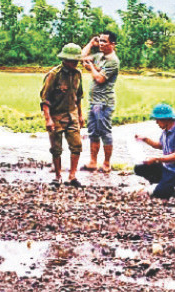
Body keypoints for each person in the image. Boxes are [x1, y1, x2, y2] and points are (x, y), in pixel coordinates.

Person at [40, 43, 85, 187]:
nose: (76, 63)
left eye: (77, 60)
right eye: (73, 60)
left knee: (77, 145)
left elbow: (78, 97)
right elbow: (45, 99)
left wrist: (80, 115)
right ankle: (57, 176)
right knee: (56, 149)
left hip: (72, 115)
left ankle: (72, 176)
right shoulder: (54, 75)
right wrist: (48, 119)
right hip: (56, 116)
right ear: (65, 60)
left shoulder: (78, 74)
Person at [134, 103, 175, 199]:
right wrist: (145, 139)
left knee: (159, 194)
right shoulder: (165, 131)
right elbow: (160, 145)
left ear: (166, 119)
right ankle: (163, 182)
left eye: (158, 119)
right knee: (139, 168)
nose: (156, 122)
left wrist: (156, 159)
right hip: (166, 168)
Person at [81, 31, 120, 173]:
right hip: (94, 101)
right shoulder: (99, 57)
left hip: (104, 103)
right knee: (93, 132)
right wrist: (91, 43)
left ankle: (107, 163)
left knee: (105, 132)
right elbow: (82, 57)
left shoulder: (112, 61)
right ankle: (93, 161)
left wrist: (91, 67)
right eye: (100, 41)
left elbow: (100, 79)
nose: (102, 44)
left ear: (113, 44)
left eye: (105, 41)